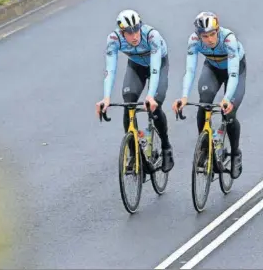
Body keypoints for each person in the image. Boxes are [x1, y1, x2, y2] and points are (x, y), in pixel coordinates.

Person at [95, 9, 175, 173]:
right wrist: (106, 98)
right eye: (129, 33)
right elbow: (110, 70)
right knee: (129, 103)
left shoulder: (152, 36)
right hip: (136, 66)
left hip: (157, 65)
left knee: (155, 105)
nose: (135, 36)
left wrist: (150, 96)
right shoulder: (113, 39)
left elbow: (154, 70)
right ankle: (133, 153)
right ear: (121, 32)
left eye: (136, 29)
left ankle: (166, 147)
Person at [172, 11, 246, 179]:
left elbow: (233, 74)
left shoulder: (229, 39)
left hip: (234, 71)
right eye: (205, 36)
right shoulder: (193, 41)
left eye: (212, 34)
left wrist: (226, 99)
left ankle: (235, 154)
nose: (210, 39)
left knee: (229, 112)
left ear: (217, 31)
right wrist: (183, 96)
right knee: (204, 102)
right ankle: (205, 148)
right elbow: (190, 70)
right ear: (199, 36)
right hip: (212, 68)